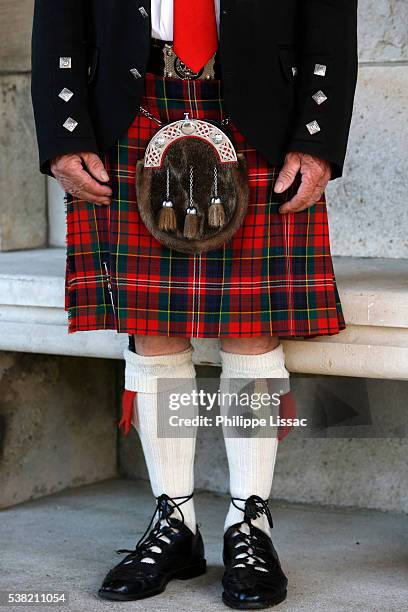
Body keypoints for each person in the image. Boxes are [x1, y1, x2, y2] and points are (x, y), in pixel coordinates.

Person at [31, 0, 358, 607]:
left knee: (253, 327)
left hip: (258, 103)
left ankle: (249, 525)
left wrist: (317, 138)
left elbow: (330, 18)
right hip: (130, 103)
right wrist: (63, 129)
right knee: (153, 327)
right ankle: (176, 522)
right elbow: (58, 13)